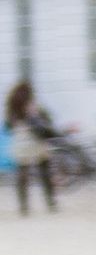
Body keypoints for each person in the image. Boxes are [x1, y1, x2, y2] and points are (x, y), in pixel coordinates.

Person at [6, 79, 53, 215]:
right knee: (44, 172)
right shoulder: (33, 105)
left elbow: (8, 126)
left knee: (22, 175)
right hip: (36, 143)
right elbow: (46, 120)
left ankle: (24, 207)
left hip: (21, 143)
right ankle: (50, 203)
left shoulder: (12, 108)